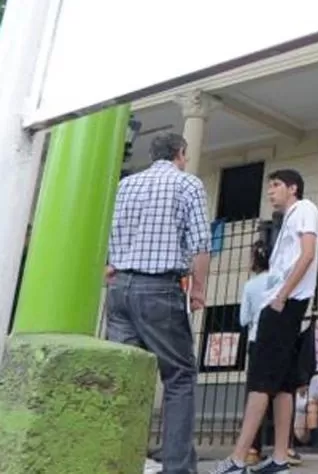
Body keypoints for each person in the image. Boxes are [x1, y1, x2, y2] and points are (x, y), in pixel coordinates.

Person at [105, 132, 210, 474]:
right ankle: (178, 468)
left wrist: (113, 265)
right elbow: (200, 245)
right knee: (179, 377)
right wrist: (197, 290)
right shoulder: (188, 184)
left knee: (126, 376)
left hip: (120, 287)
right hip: (160, 288)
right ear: (181, 153)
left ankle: (119, 460)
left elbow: (112, 233)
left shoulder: (126, 185)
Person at [210, 169, 318, 474]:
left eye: (276, 186)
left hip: (284, 305)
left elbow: (308, 253)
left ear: (293, 188)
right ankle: (281, 458)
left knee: (259, 382)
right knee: (282, 385)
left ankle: (236, 459)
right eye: (269, 187)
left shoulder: (304, 209)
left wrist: (282, 296)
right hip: (282, 304)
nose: (270, 192)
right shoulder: (290, 218)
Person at [239, 240, 277, 467]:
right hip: (278, 340)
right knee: (281, 392)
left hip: (257, 340)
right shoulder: (280, 280)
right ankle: (286, 446)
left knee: (255, 393)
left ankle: (253, 447)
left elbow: (243, 319)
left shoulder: (250, 285)